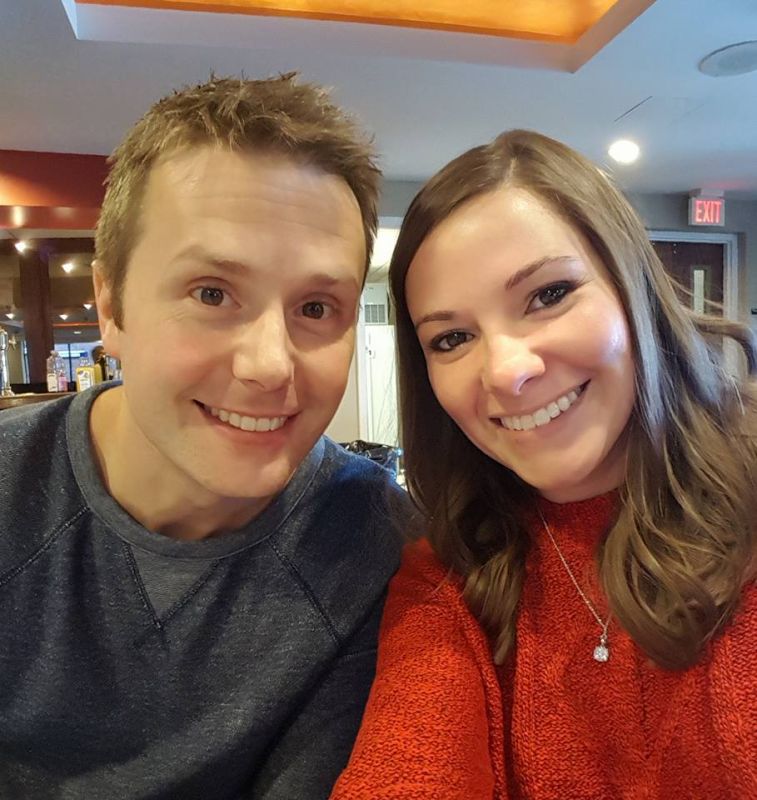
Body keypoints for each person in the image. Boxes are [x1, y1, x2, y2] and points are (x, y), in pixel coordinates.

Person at [0, 74, 408, 798]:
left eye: (317, 307)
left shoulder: (379, 546)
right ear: (111, 306)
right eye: (212, 293)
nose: (269, 365)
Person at [331, 130, 757, 799]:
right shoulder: (451, 577)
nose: (507, 371)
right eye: (452, 338)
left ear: (633, 289)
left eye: (548, 294)